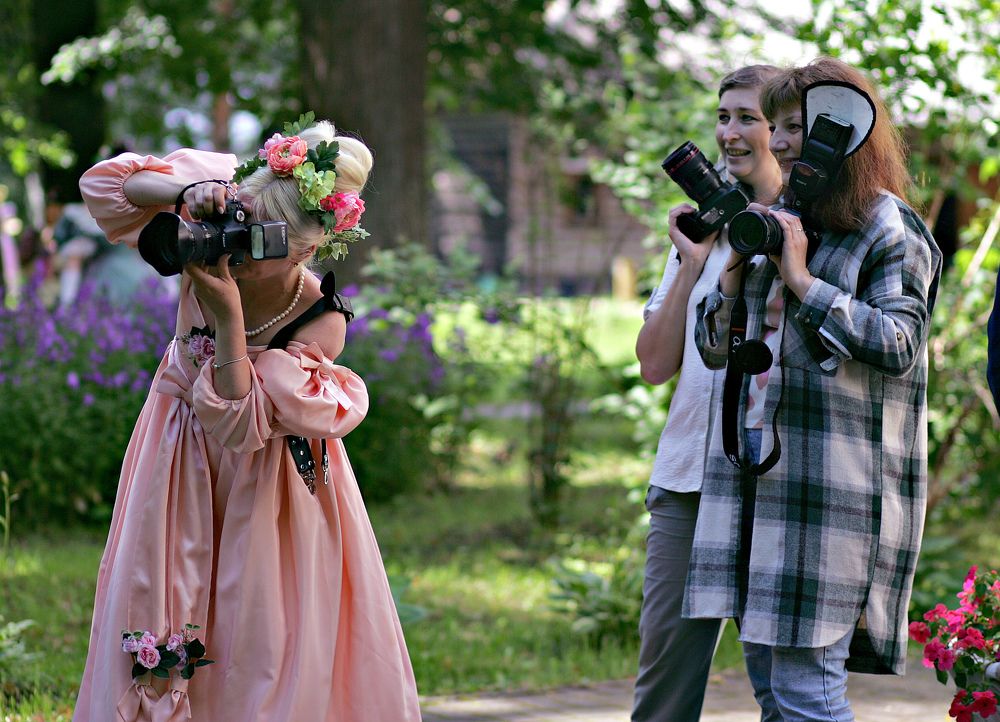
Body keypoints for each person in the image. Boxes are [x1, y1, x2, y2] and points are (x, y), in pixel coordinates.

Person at [71, 118, 422, 722]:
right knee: (161, 610)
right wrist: (187, 194)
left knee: (257, 639)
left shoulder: (319, 318)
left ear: (305, 249)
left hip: (266, 488)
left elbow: (240, 425)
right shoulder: (223, 212)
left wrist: (228, 318)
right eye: (240, 223)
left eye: (259, 241)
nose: (236, 249)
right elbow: (103, 186)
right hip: (176, 460)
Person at [685, 57, 942, 722]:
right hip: (750, 473)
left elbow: (900, 344)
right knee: (772, 689)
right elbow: (714, 351)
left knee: (806, 692)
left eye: (796, 126)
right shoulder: (775, 216)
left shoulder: (888, 226)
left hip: (829, 488)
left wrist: (803, 281)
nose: (780, 142)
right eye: (777, 127)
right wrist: (733, 275)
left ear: (845, 131)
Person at [631, 64, 782, 722]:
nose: (730, 133)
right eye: (723, 117)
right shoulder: (702, 229)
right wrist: (692, 263)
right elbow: (654, 365)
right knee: (665, 684)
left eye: (748, 117)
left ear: (785, 129)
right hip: (687, 473)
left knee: (782, 684)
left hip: (767, 476)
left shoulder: (804, 225)